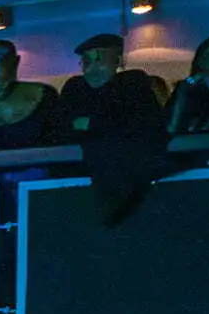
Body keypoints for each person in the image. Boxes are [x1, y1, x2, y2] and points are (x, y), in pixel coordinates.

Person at [55, 32, 170, 225]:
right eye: (86, 61)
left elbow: (142, 124)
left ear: (117, 61)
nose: (92, 68)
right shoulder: (74, 88)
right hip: (81, 181)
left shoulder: (132, 83)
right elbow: (62, 128)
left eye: (99, 60)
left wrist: (92, 124)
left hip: (131, 180)